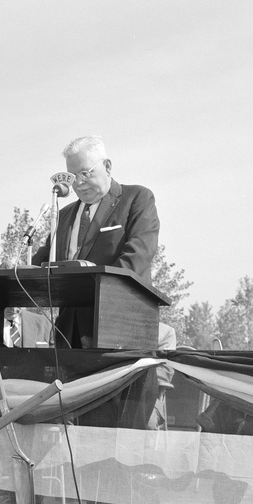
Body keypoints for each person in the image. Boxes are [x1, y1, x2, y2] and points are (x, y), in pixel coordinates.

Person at [31, 135, 159, 348]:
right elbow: (42, 263)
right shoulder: (62, 216)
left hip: (119, 327)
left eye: (85, 173)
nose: (78, 183)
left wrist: (96, 290)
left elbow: (138, 256)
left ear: (107, 166)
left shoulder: (137, 199)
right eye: (72, 176)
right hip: (68, 335)